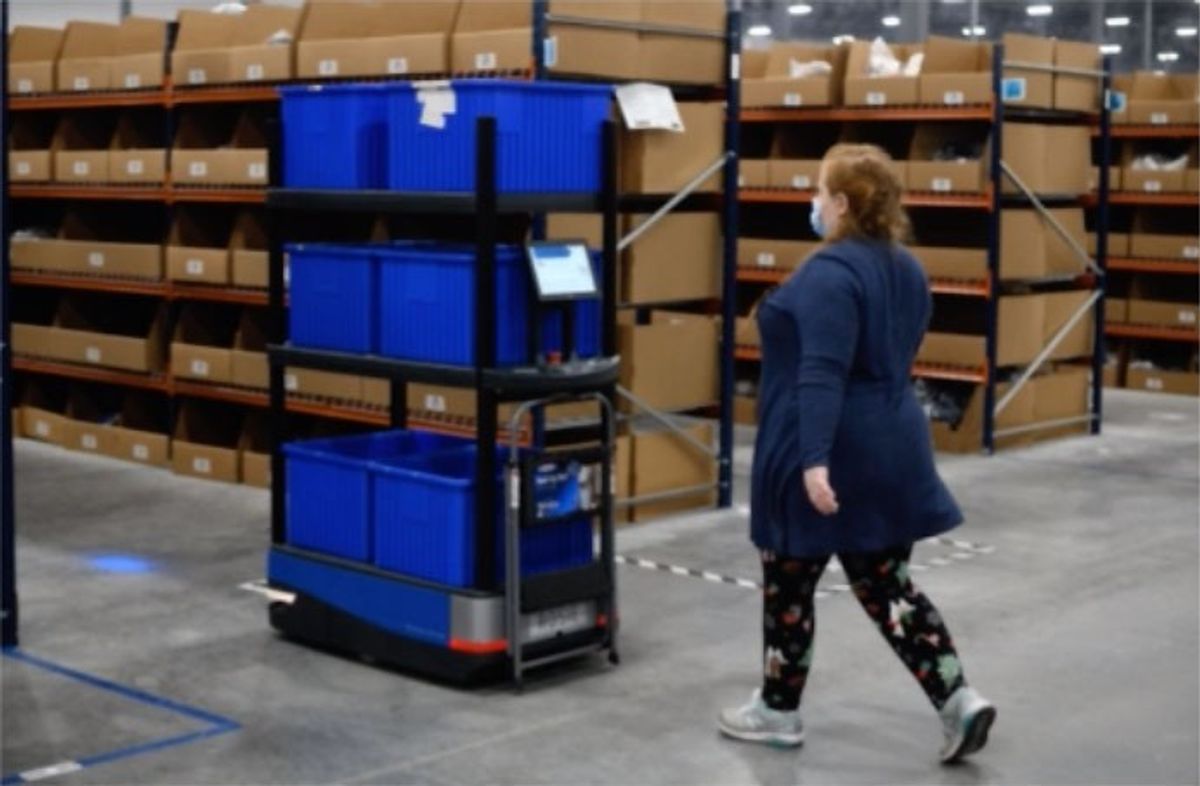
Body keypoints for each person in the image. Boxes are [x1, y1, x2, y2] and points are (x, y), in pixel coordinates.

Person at [717, 144, 996, 763]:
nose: (812, 203)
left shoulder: (827, 275)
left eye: (819, 192)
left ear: (841, 204)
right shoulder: (908, 270)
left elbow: (822, 374)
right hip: (896, 444)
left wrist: (815, 461)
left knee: (789, 585)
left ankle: (777, 710)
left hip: (820, 451)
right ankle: (958, 699)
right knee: (888, 585)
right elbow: (895, 353)